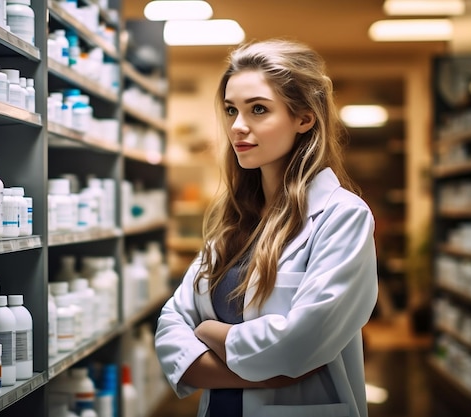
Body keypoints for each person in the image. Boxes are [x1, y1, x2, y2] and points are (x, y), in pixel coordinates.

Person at [154, 38, 378, 417]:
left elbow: (299, 346)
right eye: (230, 110)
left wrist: (211, 334)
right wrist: (264, 371)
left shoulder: (342, 216)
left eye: (258, 109)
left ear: (304, 119)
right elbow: (171, 326)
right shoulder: (234, 221)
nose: (238, 126)